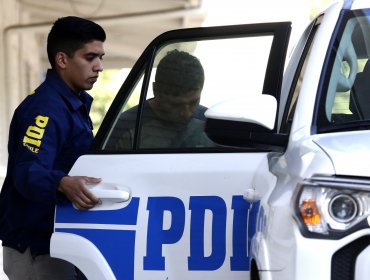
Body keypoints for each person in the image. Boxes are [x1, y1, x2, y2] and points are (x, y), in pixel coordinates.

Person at [0, 16, 106, 279]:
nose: (99, 66)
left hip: (59, 242)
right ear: (62, 60)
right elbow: (27, 171)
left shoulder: (72, 105)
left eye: (101, 57)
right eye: (90, 57)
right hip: (36, 248)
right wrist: (62, 182)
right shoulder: (45, 108)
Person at [106, 49, 213, 150]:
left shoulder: (211, 123)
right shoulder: (124, 128)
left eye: (194, 102)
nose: (186, 113)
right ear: (155, 90)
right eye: (176, 105)